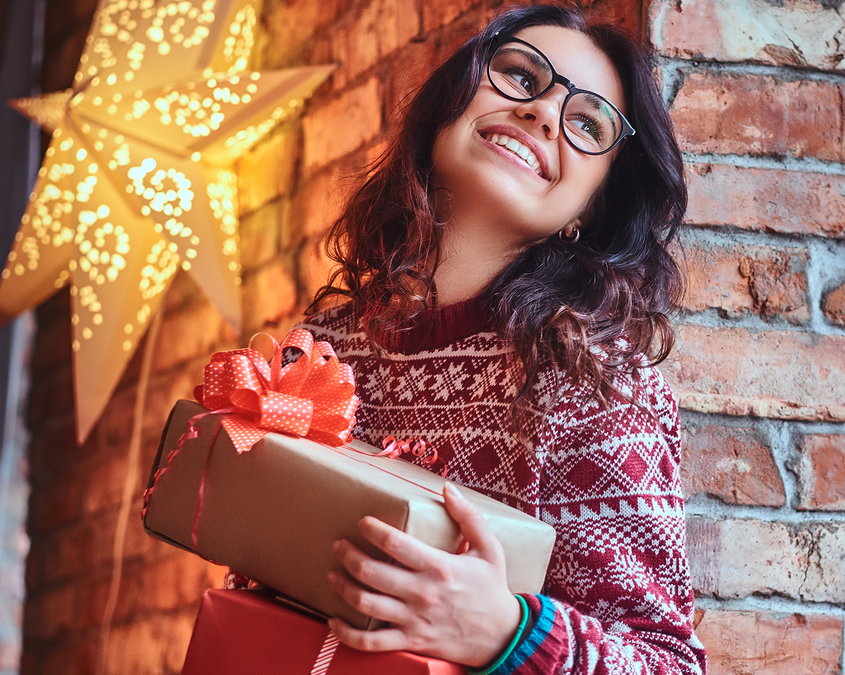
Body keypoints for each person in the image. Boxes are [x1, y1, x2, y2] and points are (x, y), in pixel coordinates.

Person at [295, 5, 705, 674]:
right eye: (519, 75)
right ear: (449, 102)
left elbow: (666, 664)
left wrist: (510, 630)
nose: (545, 113)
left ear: (591, 206)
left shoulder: (592, 386)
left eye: (587, 123)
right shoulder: (327, 346)